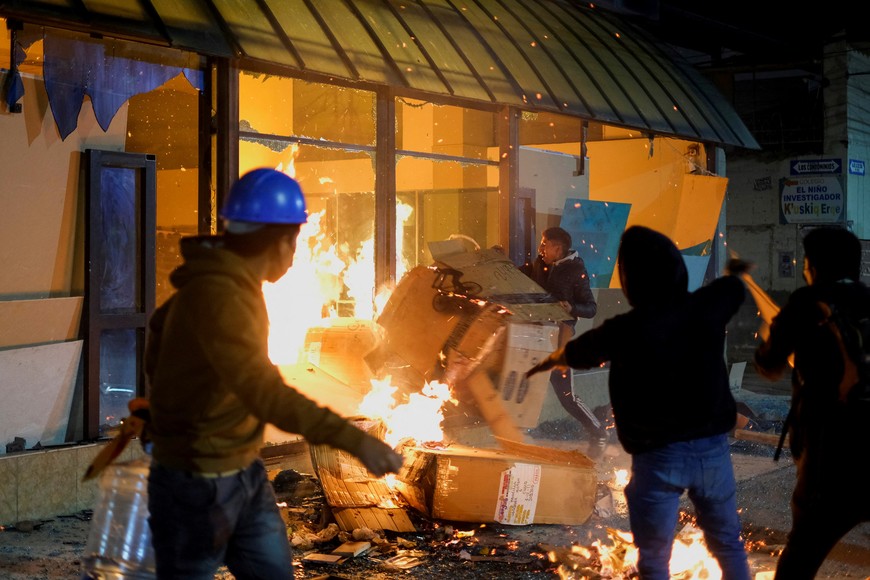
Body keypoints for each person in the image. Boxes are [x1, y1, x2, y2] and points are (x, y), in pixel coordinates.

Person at [143, 168, 404, 579]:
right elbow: (265, 393)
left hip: (239, 473)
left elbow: (158, 338)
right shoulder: (221, 295)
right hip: (196, 486)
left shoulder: (218, 285)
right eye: (296, 241)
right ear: (280, 240)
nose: (296, 253)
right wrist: (354, 439)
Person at [527, 225, 751, 580]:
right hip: (711, 452)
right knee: (727, 543)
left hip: (657, 456)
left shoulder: (624, 329)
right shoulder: (705, 309)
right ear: (677, 271)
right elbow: (730, 292)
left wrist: (546, 361)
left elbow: (579, 351)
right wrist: (736, 276)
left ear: (631, 282)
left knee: (654, 559)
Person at [754, 226, 870, 579]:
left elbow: (770, 364)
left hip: (831, 447)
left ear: (814, 266)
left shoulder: (805, 303)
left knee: (802, 553)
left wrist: (769, 339)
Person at [519, 226, 606, 447]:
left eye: (545, 244)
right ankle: (518, 432)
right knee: (522, 379)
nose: (540, 248)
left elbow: (591, 308)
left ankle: (598, 431)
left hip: (559, 337)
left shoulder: (576, 270)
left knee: (566, 394)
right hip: (535, 332)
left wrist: (571, 308)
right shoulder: (539, 263)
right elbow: (519, 273)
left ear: (558, 249)